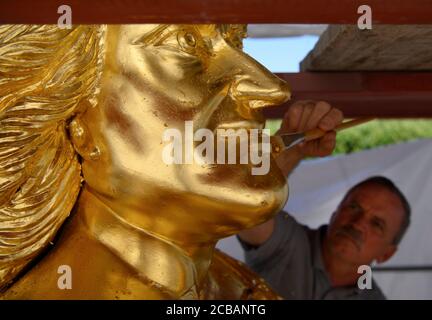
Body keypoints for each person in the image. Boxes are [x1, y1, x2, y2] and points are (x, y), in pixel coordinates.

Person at [0, 24, 290, 299]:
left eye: (237, 42)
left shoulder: (235, 285)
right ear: (79, 124)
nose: (272, 88)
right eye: (185, 42)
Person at [238, 101, 411, 299]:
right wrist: (292, 146)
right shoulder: (288, 243)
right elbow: (246, 206)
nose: (358, 223)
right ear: (336, 211)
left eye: (377, 224)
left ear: (386, 255)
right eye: (354, 207)